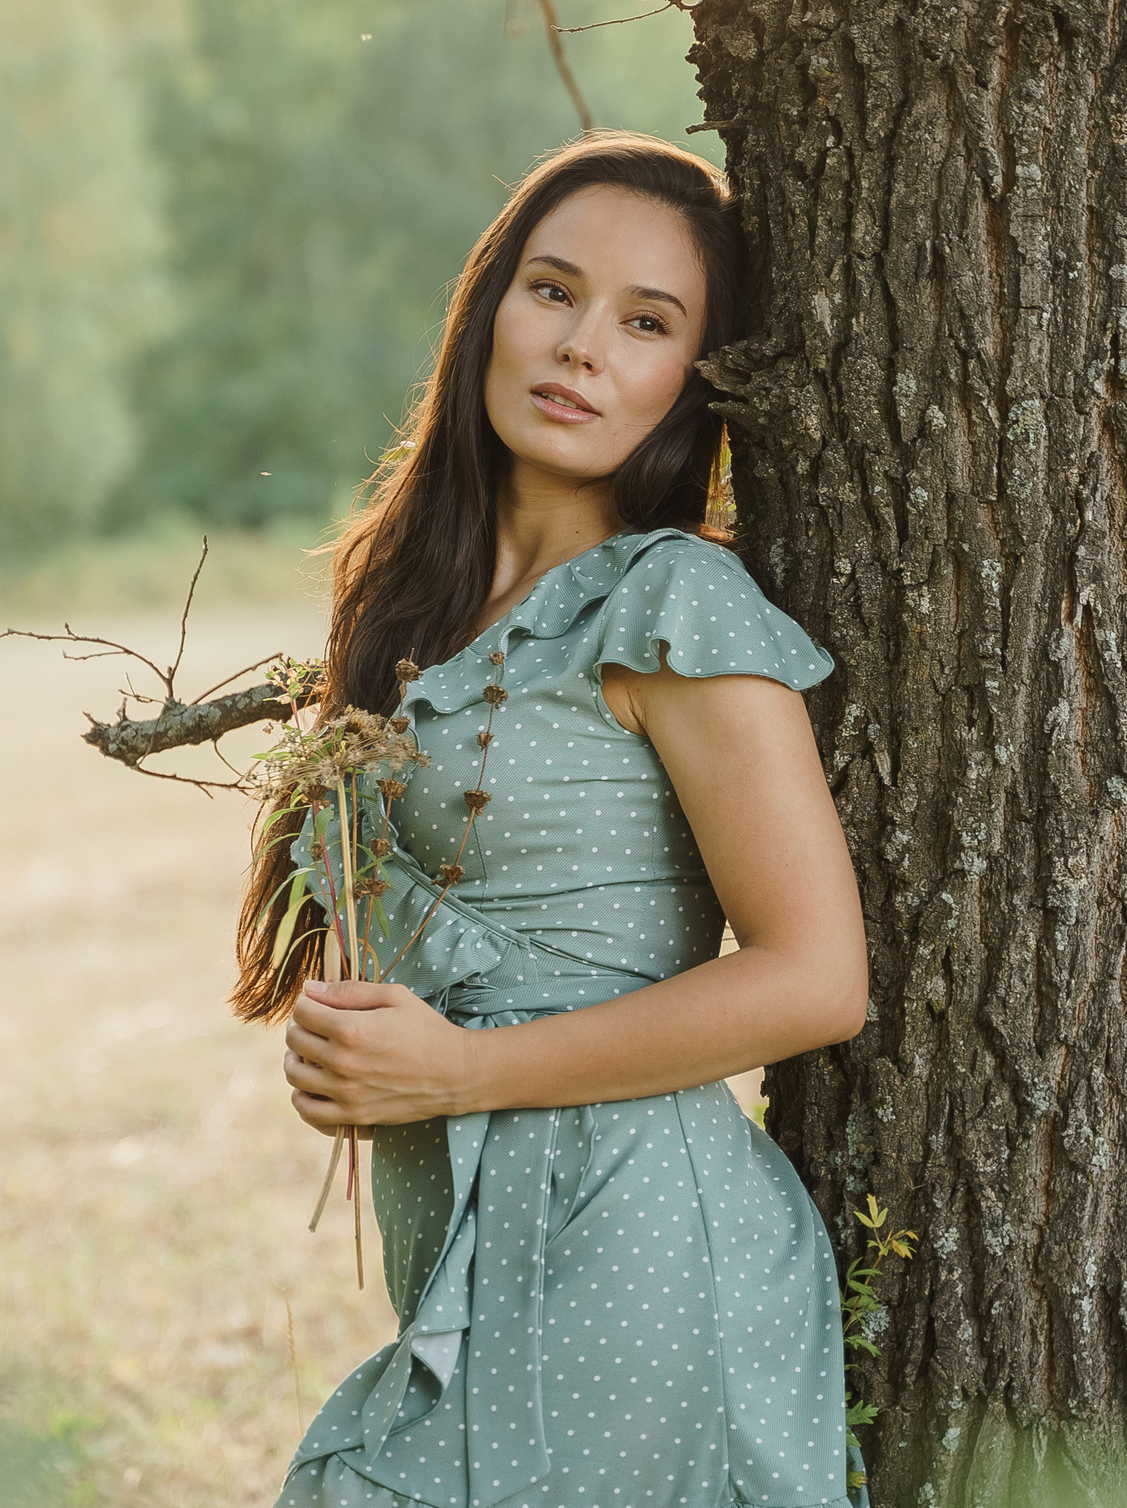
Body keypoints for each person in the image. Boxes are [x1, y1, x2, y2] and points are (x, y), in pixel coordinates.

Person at [233, 132, 872, 1508]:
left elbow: (817, 977)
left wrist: (454, 1073)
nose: (584, 347)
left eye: (647, 323)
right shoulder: (410, 612)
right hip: (473, 1247)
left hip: (636, 1253)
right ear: (488, 314)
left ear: (689, 381)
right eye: (553, 292)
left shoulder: (668, 605)